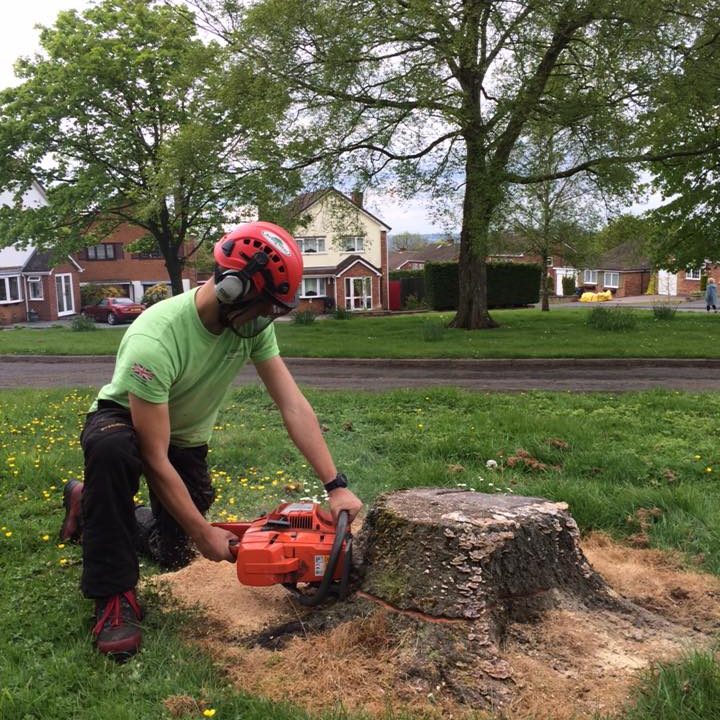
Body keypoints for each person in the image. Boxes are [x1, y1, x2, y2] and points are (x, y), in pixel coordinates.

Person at [59, 221, 363, 660]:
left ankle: (91, 505)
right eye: (263, 308)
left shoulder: (251, 326)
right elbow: (152, 454)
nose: (266, 319)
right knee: (114, 452)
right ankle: (114, 599)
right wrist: (204, 532)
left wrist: (335, 486)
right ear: (232, 290)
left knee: (175, 551)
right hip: (124, 420)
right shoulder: (154, 339)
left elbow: (291, 403)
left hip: (183, 436)